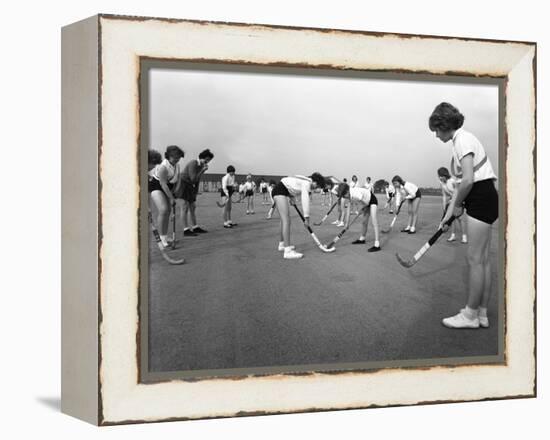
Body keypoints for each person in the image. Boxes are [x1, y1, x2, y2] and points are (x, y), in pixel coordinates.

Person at [430, 102, 498, 329]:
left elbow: (468, 180)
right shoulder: (460, 141)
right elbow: (460, 187)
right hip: (483, 194)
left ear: (444, 124)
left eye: (436, 130)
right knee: (483, 260)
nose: (436, 135)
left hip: (480, 195)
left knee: (475, 259)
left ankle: (469, 316)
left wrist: (457, 206)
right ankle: (481, 313)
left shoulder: (462, 140)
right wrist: (448, 216)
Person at [272, 173, 327, 259]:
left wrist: (291, 197)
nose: (316, 188)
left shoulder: (306, 180)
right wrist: (306, 218)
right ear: (315, 181)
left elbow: (290, 183)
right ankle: (287, 251)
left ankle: (282, 244)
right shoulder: (307, 183)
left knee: (283, 220)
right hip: (280, 191)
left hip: (281, 190)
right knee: (286, 220)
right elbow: (305, 200)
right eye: (317, 186)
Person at [148, 146, 184, 247]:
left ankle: (164, 236)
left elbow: (178, 179)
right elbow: (163, 184)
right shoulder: (163, 167)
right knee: (163, 210)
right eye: (175, 157)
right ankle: (161, 238)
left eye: (178, 157)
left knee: (168, 212)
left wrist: (175, 192)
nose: (177, 159)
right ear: (168, 156)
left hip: (169, 188)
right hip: (157, 186)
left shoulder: (177, 165)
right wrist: (171, 198)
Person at [177, 148, 214, 236]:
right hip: (183, 184)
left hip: (190, 185)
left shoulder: (201, 165)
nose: (207, 162)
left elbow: (197, 181)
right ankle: (186, 230)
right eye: (206, 159)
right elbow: (193, 179)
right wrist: (202, 171)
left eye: (209, 160)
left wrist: (195, 193)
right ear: (201, 157)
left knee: (193, 207)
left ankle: (195, 227)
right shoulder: (193, 163)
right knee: (184, 207)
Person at [338, 183, 381, 252]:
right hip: (365, 202)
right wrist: (346, 224)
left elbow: (365, 202)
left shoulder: (355, 194)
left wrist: (362, 208)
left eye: (344, 195)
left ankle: (377, 244)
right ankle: (362, 239)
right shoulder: (349, 195)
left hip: (372, 200)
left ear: (347, 191)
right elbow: (348, 209)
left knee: (374, 220)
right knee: (364, 222)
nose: (344, 197)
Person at [437, 167, 467, 243]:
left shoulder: (453, 181)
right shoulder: (441, 183)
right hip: (451, 201)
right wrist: (444, 207)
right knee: (452, 219)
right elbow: (444, 195)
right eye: (439, 176)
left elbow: (459, 192)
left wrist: (456, 201)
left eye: (441, 176)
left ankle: (464, 237)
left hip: (459, 200)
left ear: (445, 175)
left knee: (460, 218)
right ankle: (453, 236)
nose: (440, 178)